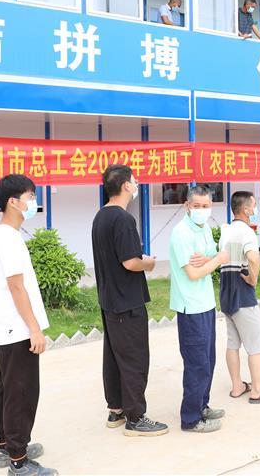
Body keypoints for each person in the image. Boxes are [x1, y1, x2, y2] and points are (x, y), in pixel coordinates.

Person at [91, 165, 168, 436]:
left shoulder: (100, 216)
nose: (136, 184)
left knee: (114, 357)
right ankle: (136, 417)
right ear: (126, 185)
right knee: (135, 359)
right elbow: (130, 262)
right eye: (134, 181)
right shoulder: (123, 219)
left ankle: (116, 409)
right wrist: (148, 263)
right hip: (127, 301)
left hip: (109, 299)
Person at [0, 174, 56, 476]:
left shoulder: (6, 235)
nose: (33, 202)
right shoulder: (8, 238)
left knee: (8, 388)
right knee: (21, 392)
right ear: (13, 202)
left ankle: (7, 445)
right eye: (30, 197)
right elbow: (16, 287)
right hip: (18, 329)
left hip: (9, 326)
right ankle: (18, 461)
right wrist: (35, 329)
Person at [168, 185, 230, 433]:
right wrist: (217, 260)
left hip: (206, 304)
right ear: (187, 206)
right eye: (197, 206)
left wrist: (211, 260)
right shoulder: (181, 233)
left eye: (206, 206)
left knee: (208, 360)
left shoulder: (203, 228)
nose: (202, 210)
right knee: (197, 364)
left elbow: (208, 257)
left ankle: (202, 405)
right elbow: (193, 273)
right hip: (190, 307)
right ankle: (191, 419)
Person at [218, 191, 260, 405]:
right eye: (254, 205)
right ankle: (258, 389)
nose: (255, 209)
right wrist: (253, 279)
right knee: (256, 344)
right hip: (242, 292)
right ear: (246, 210)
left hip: (226, 292)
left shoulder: (226, 231)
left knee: (233, 342)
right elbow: (253, 259)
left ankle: (237, 386)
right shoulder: (247, 232)